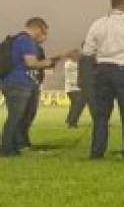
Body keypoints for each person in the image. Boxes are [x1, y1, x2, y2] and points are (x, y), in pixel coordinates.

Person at [83, 0, 124, 160]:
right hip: (123, 71)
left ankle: (97, 151)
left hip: (102, 70)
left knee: (101, 115)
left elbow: (87, 51)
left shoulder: (98, 23)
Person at [1, 18, 73, 157]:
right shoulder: (26, 41)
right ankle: (7, 149)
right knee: (15, 117)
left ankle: (16, 145)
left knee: (21, 117)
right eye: (44, 32)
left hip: (18, 83)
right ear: (39, 28)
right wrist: (51, 60)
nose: (45, 36)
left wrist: (57, 57)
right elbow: (32, 63)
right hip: (19, 83)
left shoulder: (20, 40)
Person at [67, 48, 96, 129]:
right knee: (92, 104)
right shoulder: (90, 57)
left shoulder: (83, 57)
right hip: (89, 84)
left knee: (80, 104)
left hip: (84, 84)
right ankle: (98, 121)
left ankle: (72, 122)